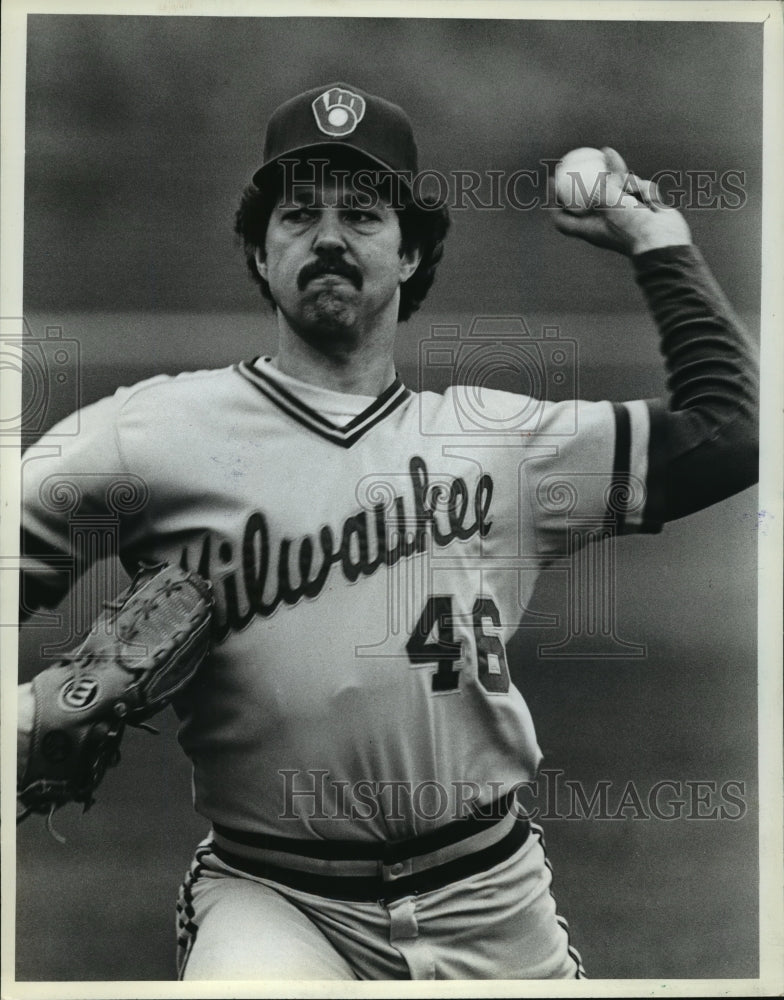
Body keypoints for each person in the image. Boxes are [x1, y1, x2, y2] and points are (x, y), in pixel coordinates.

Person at [17, 82, 758, 980]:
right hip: (275, 897)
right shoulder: (151, 432)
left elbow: (733, 434)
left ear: (410, 254)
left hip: (490, 893)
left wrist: (657, 240)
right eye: (297, 215)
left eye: (364, 214)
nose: (329, 236)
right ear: (259, 251)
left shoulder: (501, 441)